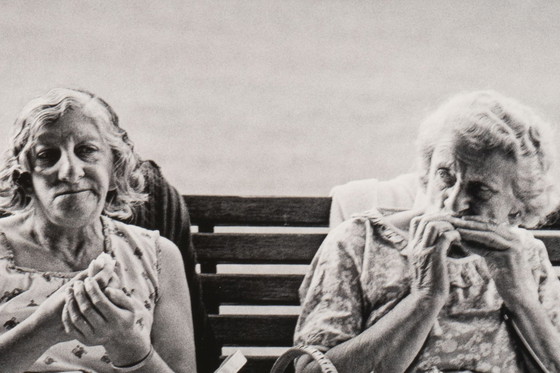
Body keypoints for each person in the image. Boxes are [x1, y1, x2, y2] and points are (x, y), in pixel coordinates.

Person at [294, 91, 560, 372]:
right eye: (445, 176)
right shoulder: (359, 242)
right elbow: (312, 371)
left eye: (480, 190)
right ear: (427, 171)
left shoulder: (526, 257)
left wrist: (521, 298)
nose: (454, 202)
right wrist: (425, 298)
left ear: (517, 209)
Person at [0, 88, 196, 372]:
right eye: (47, 155)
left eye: (86, 150)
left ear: (115, 169)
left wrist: (127, 345)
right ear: (25, 179)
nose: (70, 170)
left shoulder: (156, 256)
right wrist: (45, 326)